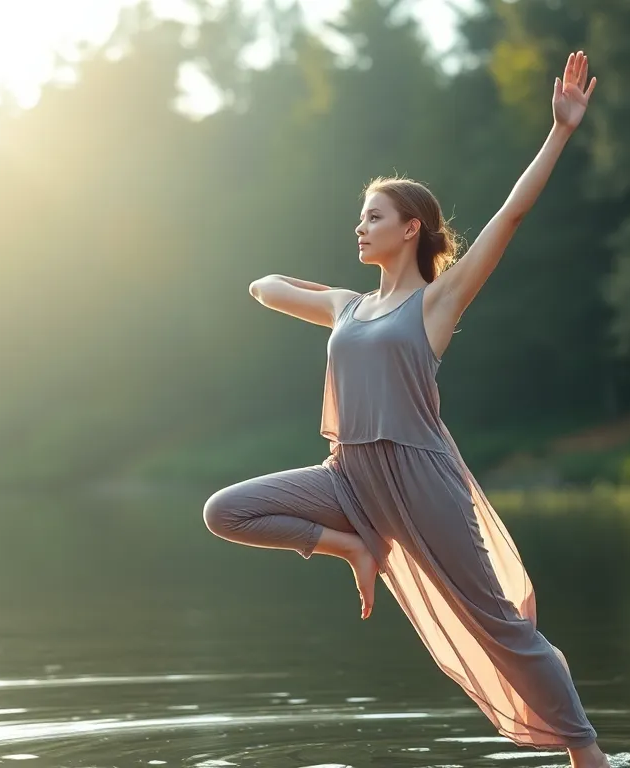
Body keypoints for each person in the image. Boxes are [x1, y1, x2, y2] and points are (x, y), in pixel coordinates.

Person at [203, 52, 607, 767]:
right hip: (348, 478)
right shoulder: (347, 307)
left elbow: (511, 215)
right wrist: (316, 292)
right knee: (225, 511)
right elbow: (262, 287)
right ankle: (355, 548)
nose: (360, 228)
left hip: (422, 484)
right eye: (360, 217)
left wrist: (560, 131)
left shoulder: (437, 303)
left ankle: (588, 758)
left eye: (373, 217)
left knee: (502, 629)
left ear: (411, 227)